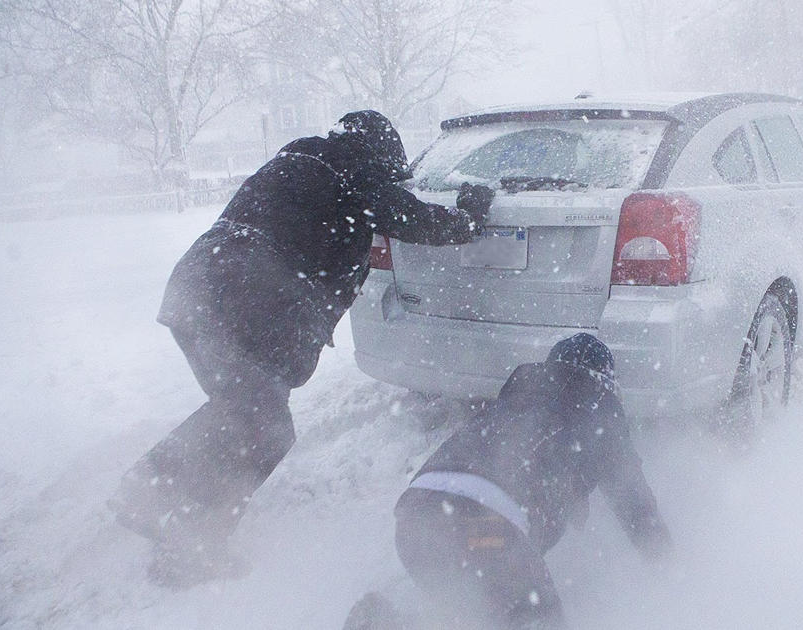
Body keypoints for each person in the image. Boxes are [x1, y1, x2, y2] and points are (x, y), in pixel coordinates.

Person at [108, 110, 496, 587]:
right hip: (250, 295)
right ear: (379, 154)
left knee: (239, 411)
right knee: (264, 427)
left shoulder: (301, 159)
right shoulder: (355, 172)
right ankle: (185, 536)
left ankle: (150, 494)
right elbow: (417, 220)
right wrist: (470, 215)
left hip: (196, 286)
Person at [383, 333, 672, 629]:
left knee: (459, 602)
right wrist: (667, 563)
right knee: (539, 619)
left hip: (415, 515)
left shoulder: (520, 393)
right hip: (490, 524)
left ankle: (388, 619)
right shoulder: (599, 407)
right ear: (607, 380)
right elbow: (634, 502)